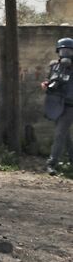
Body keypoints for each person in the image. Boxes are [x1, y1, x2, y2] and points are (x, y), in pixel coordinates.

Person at [41, 37, 73, 176]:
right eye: (62, 50)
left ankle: (51, 163)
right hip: (56, 105)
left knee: (60, 134)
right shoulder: (54, 66)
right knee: (64, 135)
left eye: (68, 51)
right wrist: (46, 84)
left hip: (69, 105)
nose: (65, 53)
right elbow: (49, 80)